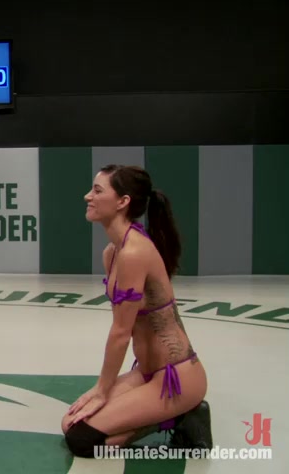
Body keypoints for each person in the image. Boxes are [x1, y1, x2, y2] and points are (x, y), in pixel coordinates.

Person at [61, 164, 212, 457]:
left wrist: (101, 390)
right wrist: (102, 390)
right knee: (70, 423)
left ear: (123, 201)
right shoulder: (112, 253)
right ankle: (173, 414)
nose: (87, 196)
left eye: (97, 190)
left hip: (176, 378)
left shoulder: (134, 253)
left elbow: (121, 333)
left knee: (82, 440)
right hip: (146, 371)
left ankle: (181, 416)